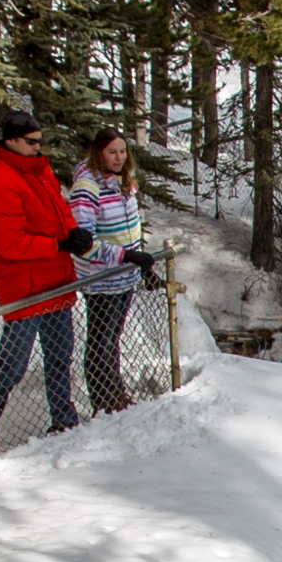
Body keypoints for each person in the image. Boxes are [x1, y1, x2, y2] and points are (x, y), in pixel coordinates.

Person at [0, 106, 80, 451]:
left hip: (55, 279)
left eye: (40, 140)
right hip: (26, 289)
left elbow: (60, 211)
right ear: (11, 141)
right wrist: (59, 243)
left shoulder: (39, 170)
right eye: (32, 141)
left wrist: (75, 233)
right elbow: (10, 243)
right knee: (11, 366)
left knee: (60, 356)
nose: (38, 147)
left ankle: (64, 420)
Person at [67, 123, 161, 415]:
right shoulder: (87, 188)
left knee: (113, 338)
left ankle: (115, 391)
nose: (118, 157)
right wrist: (127, 256)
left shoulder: (123, 182)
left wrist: (138, 263)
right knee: (101, 338)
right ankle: (103, 399)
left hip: (124, 274)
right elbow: (84, 242)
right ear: (99, 152)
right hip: (102, 277)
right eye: (112, 152)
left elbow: (128, 227)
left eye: (122, 151)